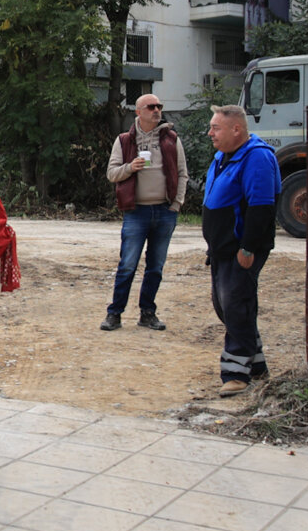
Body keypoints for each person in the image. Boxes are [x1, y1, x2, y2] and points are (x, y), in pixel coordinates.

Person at [202, 104, 281, 398]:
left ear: (237, 129)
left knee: (236, 306)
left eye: (216, 128)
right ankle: (257, 367)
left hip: (241, 249)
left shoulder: (257, 157)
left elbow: (261, 208)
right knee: (226, 307)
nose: (210, 133)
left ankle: (236, 374)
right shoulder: (223, 157)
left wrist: (248, 248)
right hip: (222, 249)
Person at [102, 95, 188, 332]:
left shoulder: (171, 138)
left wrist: (177, 203)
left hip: (165, 210)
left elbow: (182, 173)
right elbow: (111, 174)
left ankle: (147, 313)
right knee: (127, 265)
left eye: (160, 106)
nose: (157, 110)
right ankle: (114, 314)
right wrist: (131, 167)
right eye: (152, 107)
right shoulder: (125, 140)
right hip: (136, 212)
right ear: (138, 112)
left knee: (155, 266)